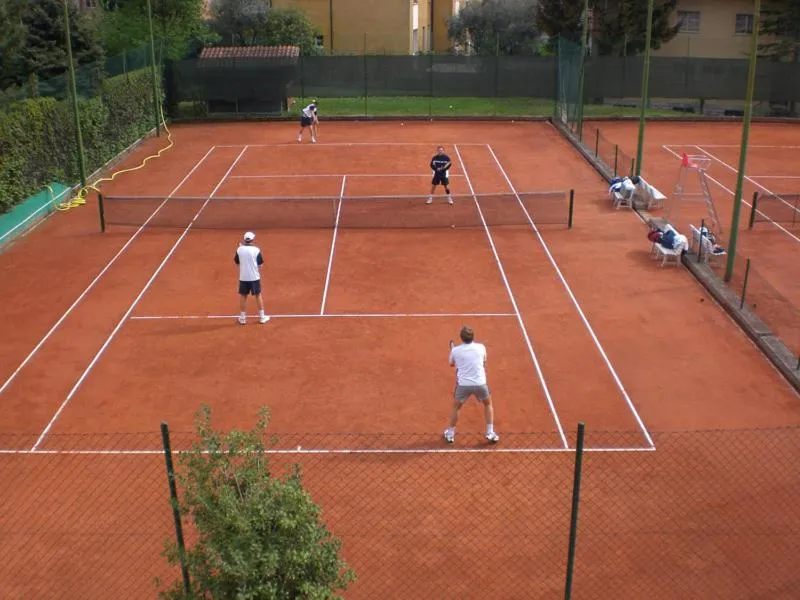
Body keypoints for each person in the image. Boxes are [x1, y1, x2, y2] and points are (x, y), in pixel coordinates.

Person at [443, 326, 499, 444]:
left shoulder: (455, 351)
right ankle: (490, 432)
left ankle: (450, 434)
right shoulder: (481, 347)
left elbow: (451, 364)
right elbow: (483, 362)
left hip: (463, 385)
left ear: (461, 338)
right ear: (473, 337)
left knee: (456, 407)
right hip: (480, 384)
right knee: (488, 404)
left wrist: (454, 353)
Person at [234, 231, 270, 325]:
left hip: (243, 277)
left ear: (244, 240)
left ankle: (242, 318)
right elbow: (260, 264)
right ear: (252, 240)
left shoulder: (239, 250)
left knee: (243, 296)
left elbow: (237, 262)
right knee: (258, 295)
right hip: (254, 278)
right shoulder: (256, 250)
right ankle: (262, 317)